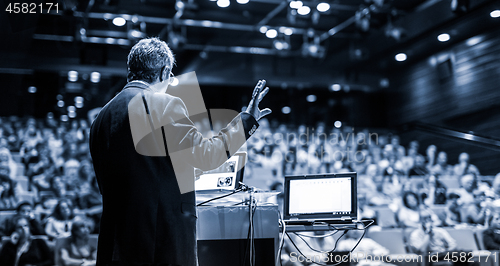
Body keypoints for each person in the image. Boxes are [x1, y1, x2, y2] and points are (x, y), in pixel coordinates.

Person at [89, 37, 271, 266]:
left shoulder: (101, 118)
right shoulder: (164, 104)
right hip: (160, 241)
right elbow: (208, 156)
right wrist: (247, 120)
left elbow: (137, 174)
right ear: (164, 72)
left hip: (115, 244)